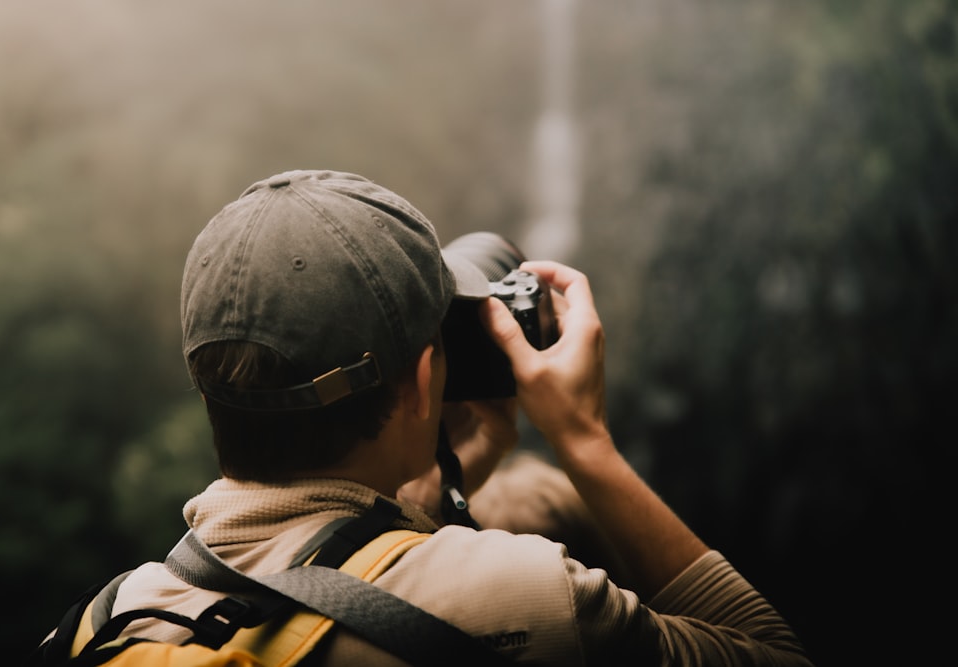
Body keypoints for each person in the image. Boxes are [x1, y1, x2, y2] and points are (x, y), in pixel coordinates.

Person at [46, 170, 813, 665]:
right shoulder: (525, 598)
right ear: (422, 380)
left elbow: (329, 557)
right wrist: (584, 439)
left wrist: (446, 479)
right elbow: (773, 652)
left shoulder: (100, 625)